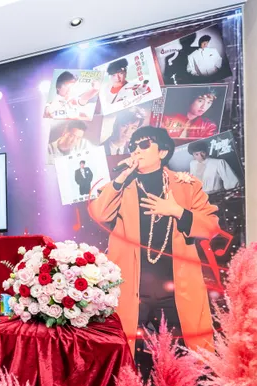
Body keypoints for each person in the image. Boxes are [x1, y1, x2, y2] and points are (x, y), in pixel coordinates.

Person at [88, 126, 219, 361]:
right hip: (132, 290)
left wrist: (177, 211)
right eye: (133, 146)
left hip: (176, 290)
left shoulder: (186, 185)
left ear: (163, 152)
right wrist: (120, 178)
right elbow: (99, 214)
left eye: (144, 144)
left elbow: (210, 226)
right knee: (131, 363)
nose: (136, 150)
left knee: (183, 362)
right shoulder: (122, 186)